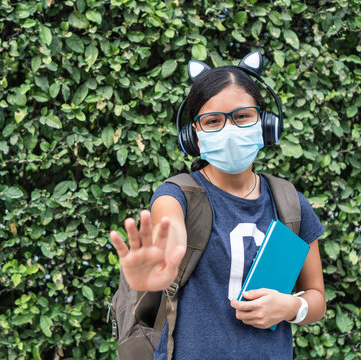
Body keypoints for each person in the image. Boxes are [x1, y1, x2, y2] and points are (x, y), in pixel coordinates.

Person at [109, 57, 326, 359]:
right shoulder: (176, 195)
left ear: (265, 122)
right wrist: (159, 270)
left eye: (242, 117)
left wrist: (292, 307)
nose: (229, 129)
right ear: (193, 134)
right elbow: (170, 234)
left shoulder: (290, 203)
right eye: (213, 121)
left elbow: (317, 299)